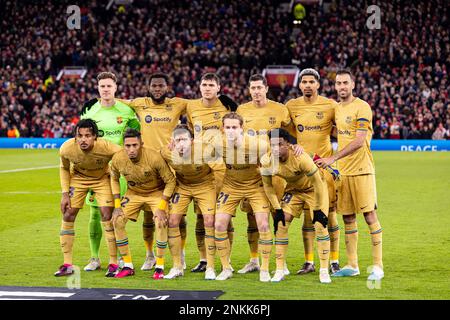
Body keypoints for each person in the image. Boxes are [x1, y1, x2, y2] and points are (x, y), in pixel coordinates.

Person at [315, 69, 384, 281]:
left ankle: (377, 266)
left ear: (353, 84)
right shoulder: (336, 109)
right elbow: (337, 132)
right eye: (338, 83)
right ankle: (352, 264)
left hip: (362, 169)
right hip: (343, 172)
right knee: (348, 218)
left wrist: (332, 158)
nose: (342, 87)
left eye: (345, 83)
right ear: (335, 86)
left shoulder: (362, 107)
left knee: (369, 216)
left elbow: (359, 140)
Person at [235, 74, 295, 275]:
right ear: (249, 90)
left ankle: (281, 262)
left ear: (266, 88)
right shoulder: (242, 110)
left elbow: (290, 135)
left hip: (275, 171)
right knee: (252, 217)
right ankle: (254, 260)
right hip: (251, 172)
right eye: (253, 88)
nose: (256, 91)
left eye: (260, 87)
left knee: (277, 214)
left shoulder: (280, 109)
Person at [80, 72, 140, 272]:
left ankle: (121, 258)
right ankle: (95, 257)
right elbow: (83, 140)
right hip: (96, 171)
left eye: (109, 86)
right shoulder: (90, 111)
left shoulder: (126, 111)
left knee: (117, 213)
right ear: (98, 88)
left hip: (120, 172)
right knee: (95, 214)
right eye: (102, 86)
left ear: (115, 87)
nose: (106, 89)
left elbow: (136, 136)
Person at [285, 68, 341, 275]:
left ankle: (334, 260)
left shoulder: (330, 105)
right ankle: (309, 262)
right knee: (308, 218)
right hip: (300, 171)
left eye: (311, 82)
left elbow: (342, 130)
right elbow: (285, 134)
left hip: (324, 170)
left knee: (331, 216)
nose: (307, 85)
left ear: (318, 85)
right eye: (304, 82)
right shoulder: (291, 106)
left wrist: (336, 160)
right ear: (299, 85)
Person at [261, 128, 332, 283]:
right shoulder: (267, 161)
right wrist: (277, 208)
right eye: (272, 145)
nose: (275, 148)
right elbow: (268, 186)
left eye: (279, 144)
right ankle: (280, 270)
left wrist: (319, 209)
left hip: (315, 190)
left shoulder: (300, 158)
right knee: (281, 224)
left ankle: (324, 270)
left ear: (288, 145)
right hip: (294, 190)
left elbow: (318, 183)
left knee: (320, 224)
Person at [55, 119, 121, 277]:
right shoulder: (66, 148)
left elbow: (124, 157)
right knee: (68, 214)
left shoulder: (107, 147)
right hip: (78, 178)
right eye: (80, 136)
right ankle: (67, 264)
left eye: (87, 135)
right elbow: (64, 168)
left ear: (95, 137)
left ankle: (113, 263)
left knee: (106, 214)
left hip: (102, 179)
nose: (83, 139)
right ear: (75, 137)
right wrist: (64, 193)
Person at [185, 73, 237, 273]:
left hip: (223, 168)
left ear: (218, 87)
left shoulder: (227, 107)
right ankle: (204, 258)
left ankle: (227, 258)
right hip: (201, 169)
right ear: (199, 87)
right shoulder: (191, 106)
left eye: (211, 85)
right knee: (200, 216)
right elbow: (192, 129)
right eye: (204, 84)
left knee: (225, 216)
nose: (207, 88)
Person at [214, 112, 272, 282]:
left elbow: (274, 161)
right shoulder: (218, 144)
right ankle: (226, 268)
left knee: (263, 224)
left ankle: (265, 269)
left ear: (242, 128)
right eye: (228, 127)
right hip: (231, 186)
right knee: (218, 224)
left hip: (255, 186)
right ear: (222, 129)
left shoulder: (259, 145)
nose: (231, 131)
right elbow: (195, 147)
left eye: (234, 127)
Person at [111, 129, 176, 279]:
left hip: (156, 193)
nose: (131, 149)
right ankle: (127, 265)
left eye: (135, 145)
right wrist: (116, 205)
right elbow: (113, 178)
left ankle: (159, 266)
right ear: (123, 145)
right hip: (133, 193)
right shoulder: (118, 158)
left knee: (160, 221)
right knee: (117, 220)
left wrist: (161, 207)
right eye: (127, 146)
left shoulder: (154, 157)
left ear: (141, 144)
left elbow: (170, 181)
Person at [161, 125, 217, 280]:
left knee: (209, 221)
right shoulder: (166, 152)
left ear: (192, 141)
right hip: (183, 186)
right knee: (172, 221)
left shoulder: (206, 150)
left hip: (205, 185)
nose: (181, 144)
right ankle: (177, 266)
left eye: (184, 139)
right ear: (172, 141)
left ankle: (210, 267)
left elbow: (222, 161)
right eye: (177, 140)